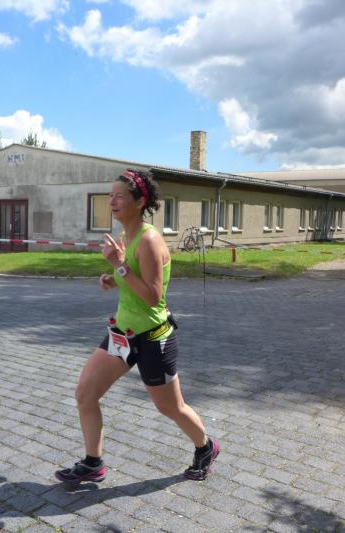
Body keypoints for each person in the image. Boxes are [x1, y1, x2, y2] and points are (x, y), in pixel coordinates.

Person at [55, 169, 219, 485]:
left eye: (119, 196)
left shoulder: (149, 240)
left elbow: (153, 297)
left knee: (170, 407)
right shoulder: (124, 239)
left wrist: (119, 265)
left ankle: (206, 447)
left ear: (140, 201)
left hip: (153, 338)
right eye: (110, 196)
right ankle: (93, 463)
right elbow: (133, 280)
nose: (111, 202)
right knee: (85, 394)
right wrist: (113, 279)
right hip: (122, 334)